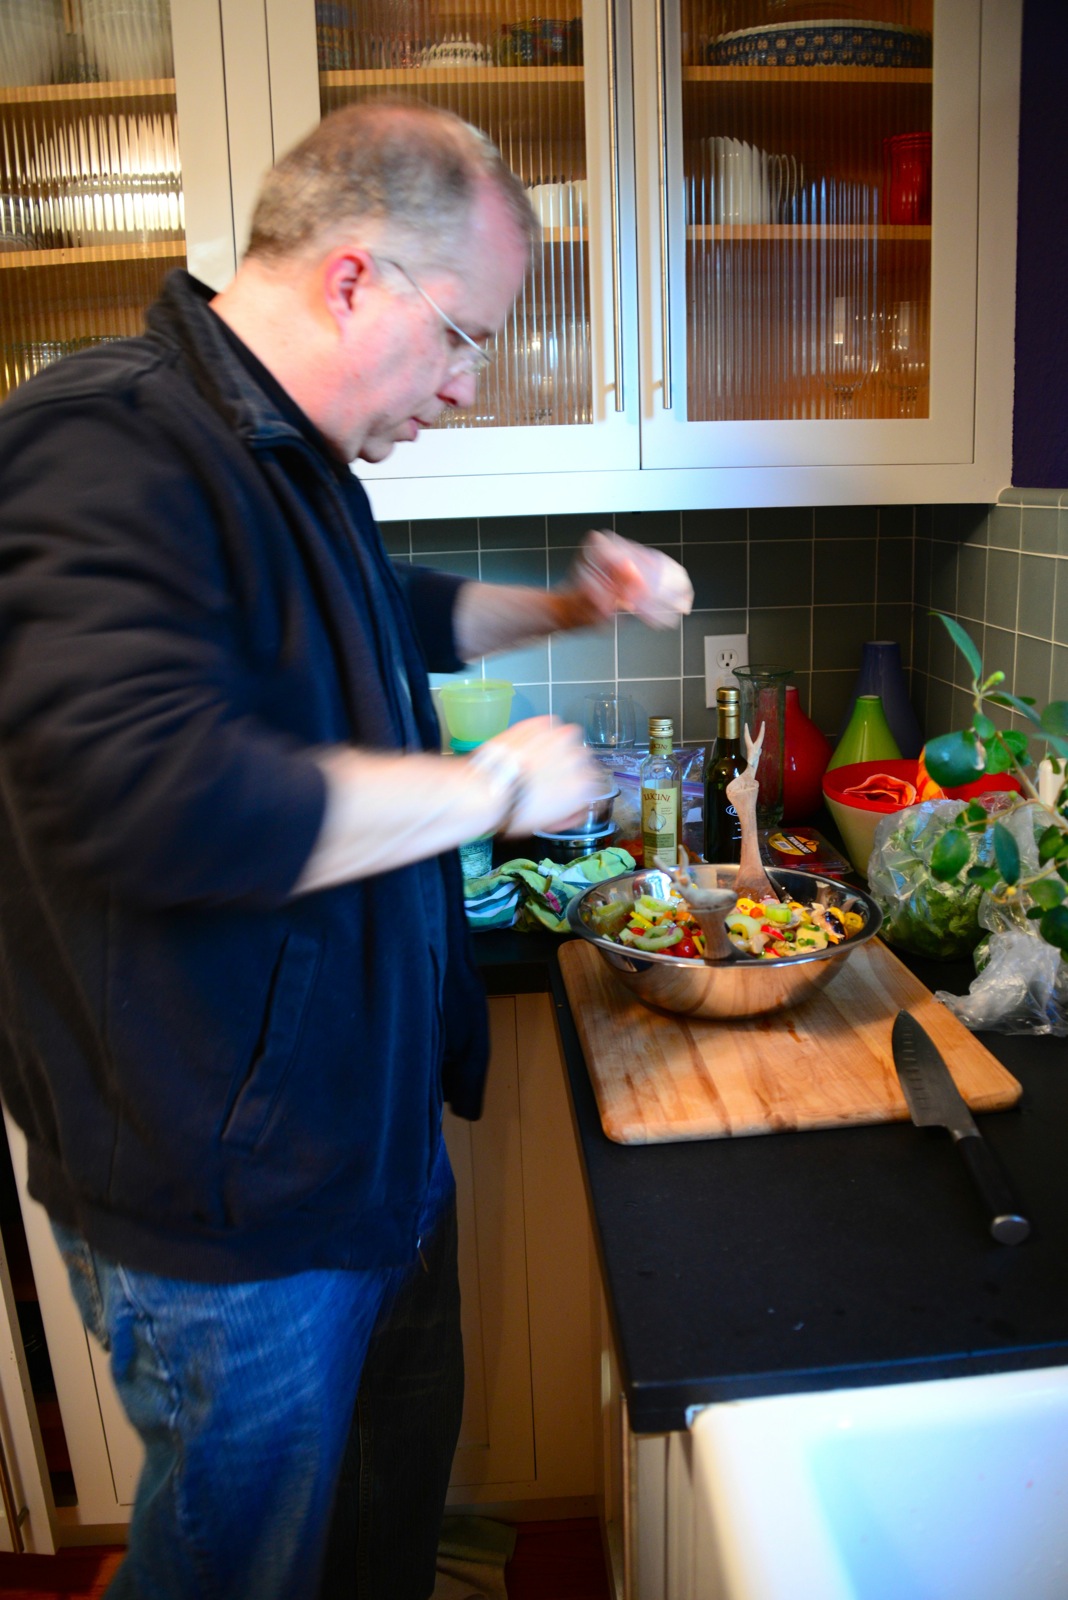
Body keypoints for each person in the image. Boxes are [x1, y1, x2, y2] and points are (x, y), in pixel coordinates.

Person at [0, 101, 692, 1598]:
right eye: (463, 339)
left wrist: (572, 606)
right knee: (234, 1568)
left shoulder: (276, 453)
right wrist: (491, 785)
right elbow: (149, 794)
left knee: (380, 1522)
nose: (461, 386)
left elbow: (399, 608)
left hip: (361, 1147)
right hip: (226, 1205)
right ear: (356, 277)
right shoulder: (98, 447)